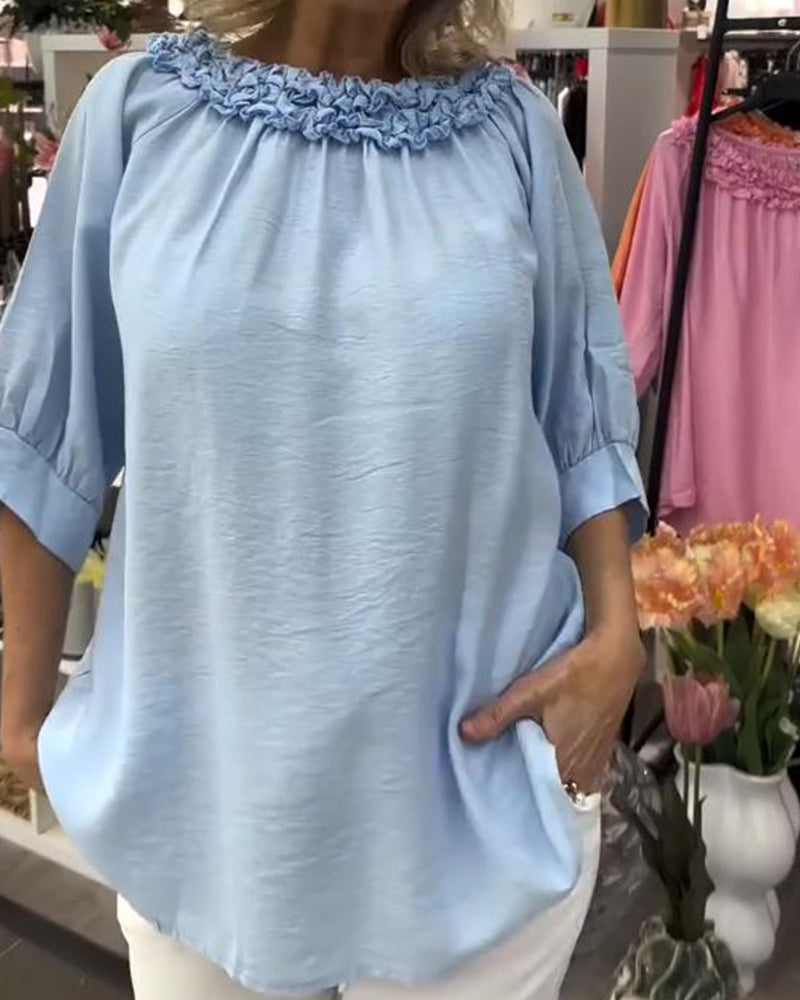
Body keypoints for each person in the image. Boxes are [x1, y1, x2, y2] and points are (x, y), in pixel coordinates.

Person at [0, 1, 647, 998]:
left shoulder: (513, 134)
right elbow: (46, 424)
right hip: (199, 801)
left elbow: (583, 416)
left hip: (473, 801)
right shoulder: (138, 117)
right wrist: (21, 714)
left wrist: (615, 639)